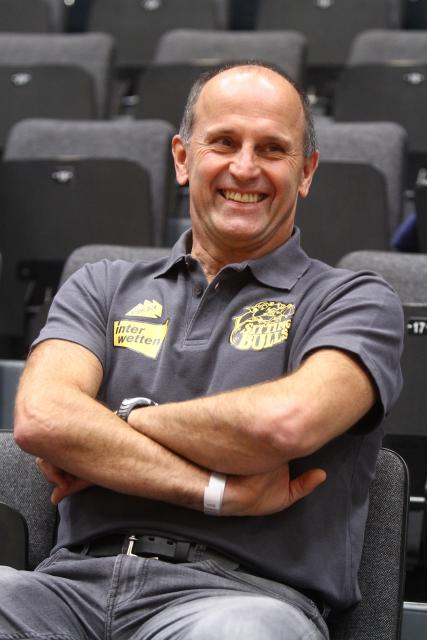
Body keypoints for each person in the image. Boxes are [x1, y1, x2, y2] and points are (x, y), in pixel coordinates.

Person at [2, 62, 403, 640]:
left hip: (239, 599)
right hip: (68, 589)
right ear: (183, 158)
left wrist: (118, 423)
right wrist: (220, 491)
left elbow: (282, 424)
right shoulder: (100, 284)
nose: (245, 167)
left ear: (307, 171)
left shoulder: (356, 301)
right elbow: (43, 417)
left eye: (272, 149)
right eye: (223, 142)